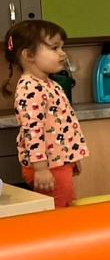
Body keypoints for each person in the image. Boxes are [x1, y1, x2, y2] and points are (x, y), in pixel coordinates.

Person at [3, 19, 88, 208]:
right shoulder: (30, 88)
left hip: (58, 163)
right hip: (48, 166)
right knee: (57, 213)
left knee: (66, 206)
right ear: (29, 55)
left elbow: (59, 123)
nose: (62, 53)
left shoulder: (48, 84)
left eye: (62, 47)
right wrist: (40, 169)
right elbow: (32, 131)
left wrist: (70, 157)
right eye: (54, 48)